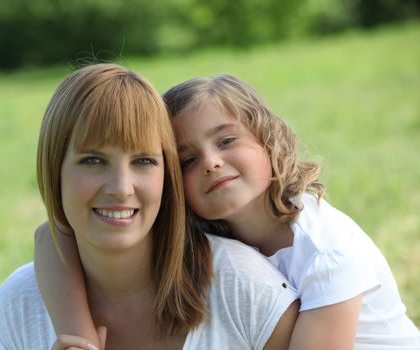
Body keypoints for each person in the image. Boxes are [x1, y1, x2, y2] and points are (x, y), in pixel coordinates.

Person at [35, 72, 420, 349]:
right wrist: (79, 337)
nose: (211, 162)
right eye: (187, 159)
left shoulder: (326, 251)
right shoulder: (211, 229)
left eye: (227, 140)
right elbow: (51, 237)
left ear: (269, 139)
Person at [0, 64, 299, 350]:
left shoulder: (244, 289)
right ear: (54, 170)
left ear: (168, 175)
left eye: (144, 161)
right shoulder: (20, 305)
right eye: (93, 161)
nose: (121, 188)